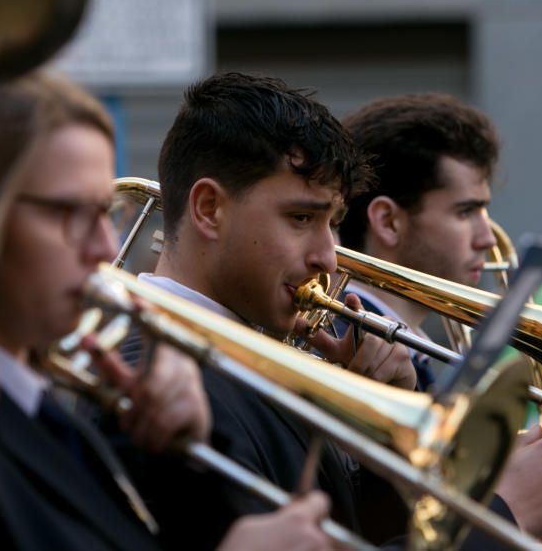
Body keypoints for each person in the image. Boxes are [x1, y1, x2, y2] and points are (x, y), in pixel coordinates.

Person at [0, 71, 336, 551]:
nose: (104, 247)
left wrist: (179, 457)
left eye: (105, 213)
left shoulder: (51, 414)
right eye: (67, 213)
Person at [113, 71, 422, 548]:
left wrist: (381, 439)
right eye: (301, 218)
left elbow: (359, 534)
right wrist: (504, 518)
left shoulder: (256, 357)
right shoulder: (150, 379)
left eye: (333, 222)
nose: (329, 257)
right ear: (210, 209)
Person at [337, 92, 542, 538]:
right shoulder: (343, 345)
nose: (488, 237)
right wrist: (504, 516)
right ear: (387, 221)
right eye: (465, 212)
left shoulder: (419, 355)